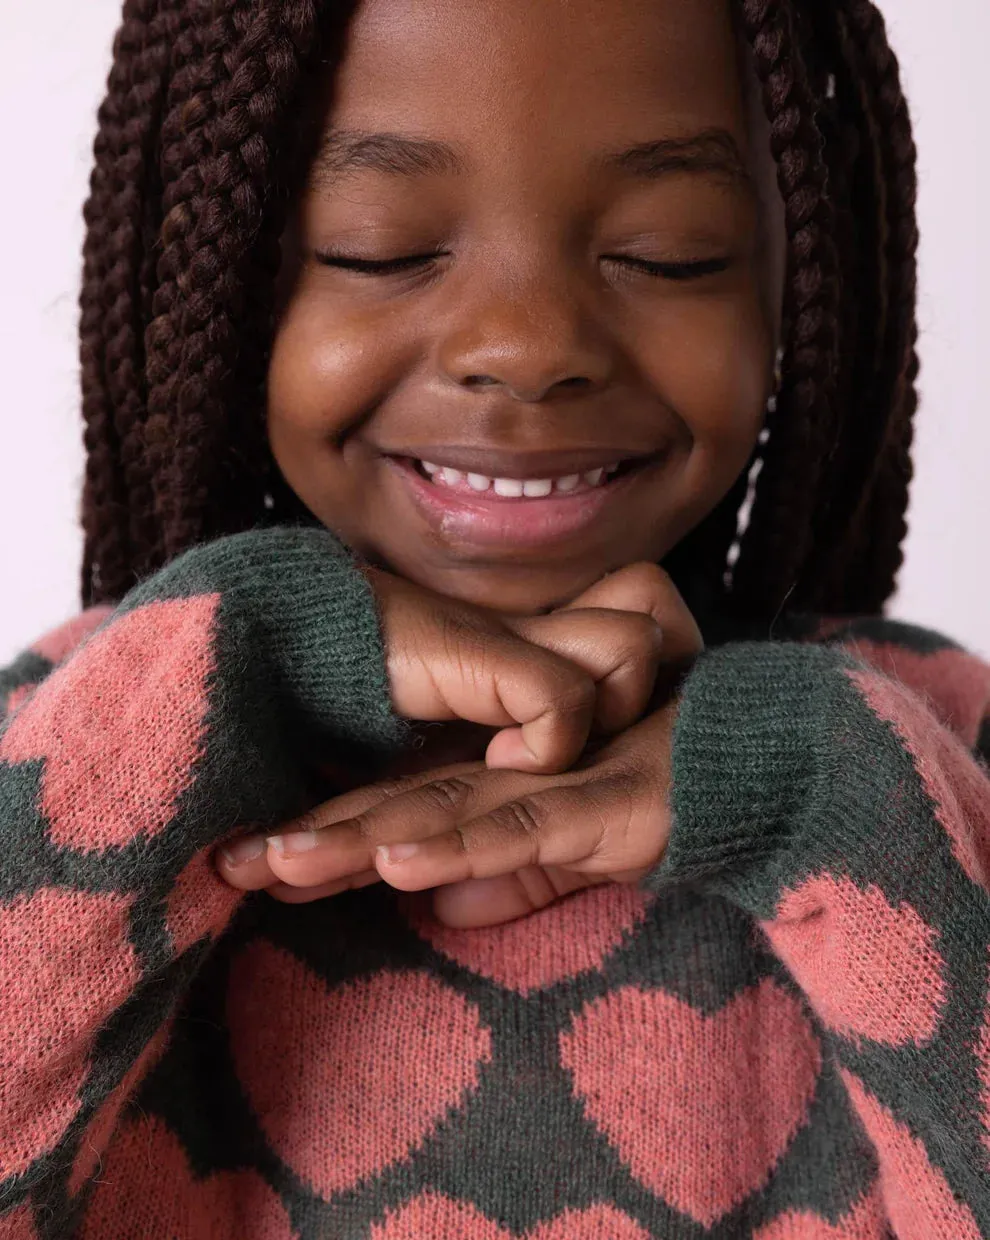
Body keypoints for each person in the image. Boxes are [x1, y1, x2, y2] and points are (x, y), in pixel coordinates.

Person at [0, 0, 987, 1235]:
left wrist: (833, 801)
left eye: (669, 250)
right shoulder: (70, 737)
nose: (528, 348)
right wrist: (219, 675)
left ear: (799, 268)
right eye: (378, 247)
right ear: (206, 268)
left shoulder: (930, 756)